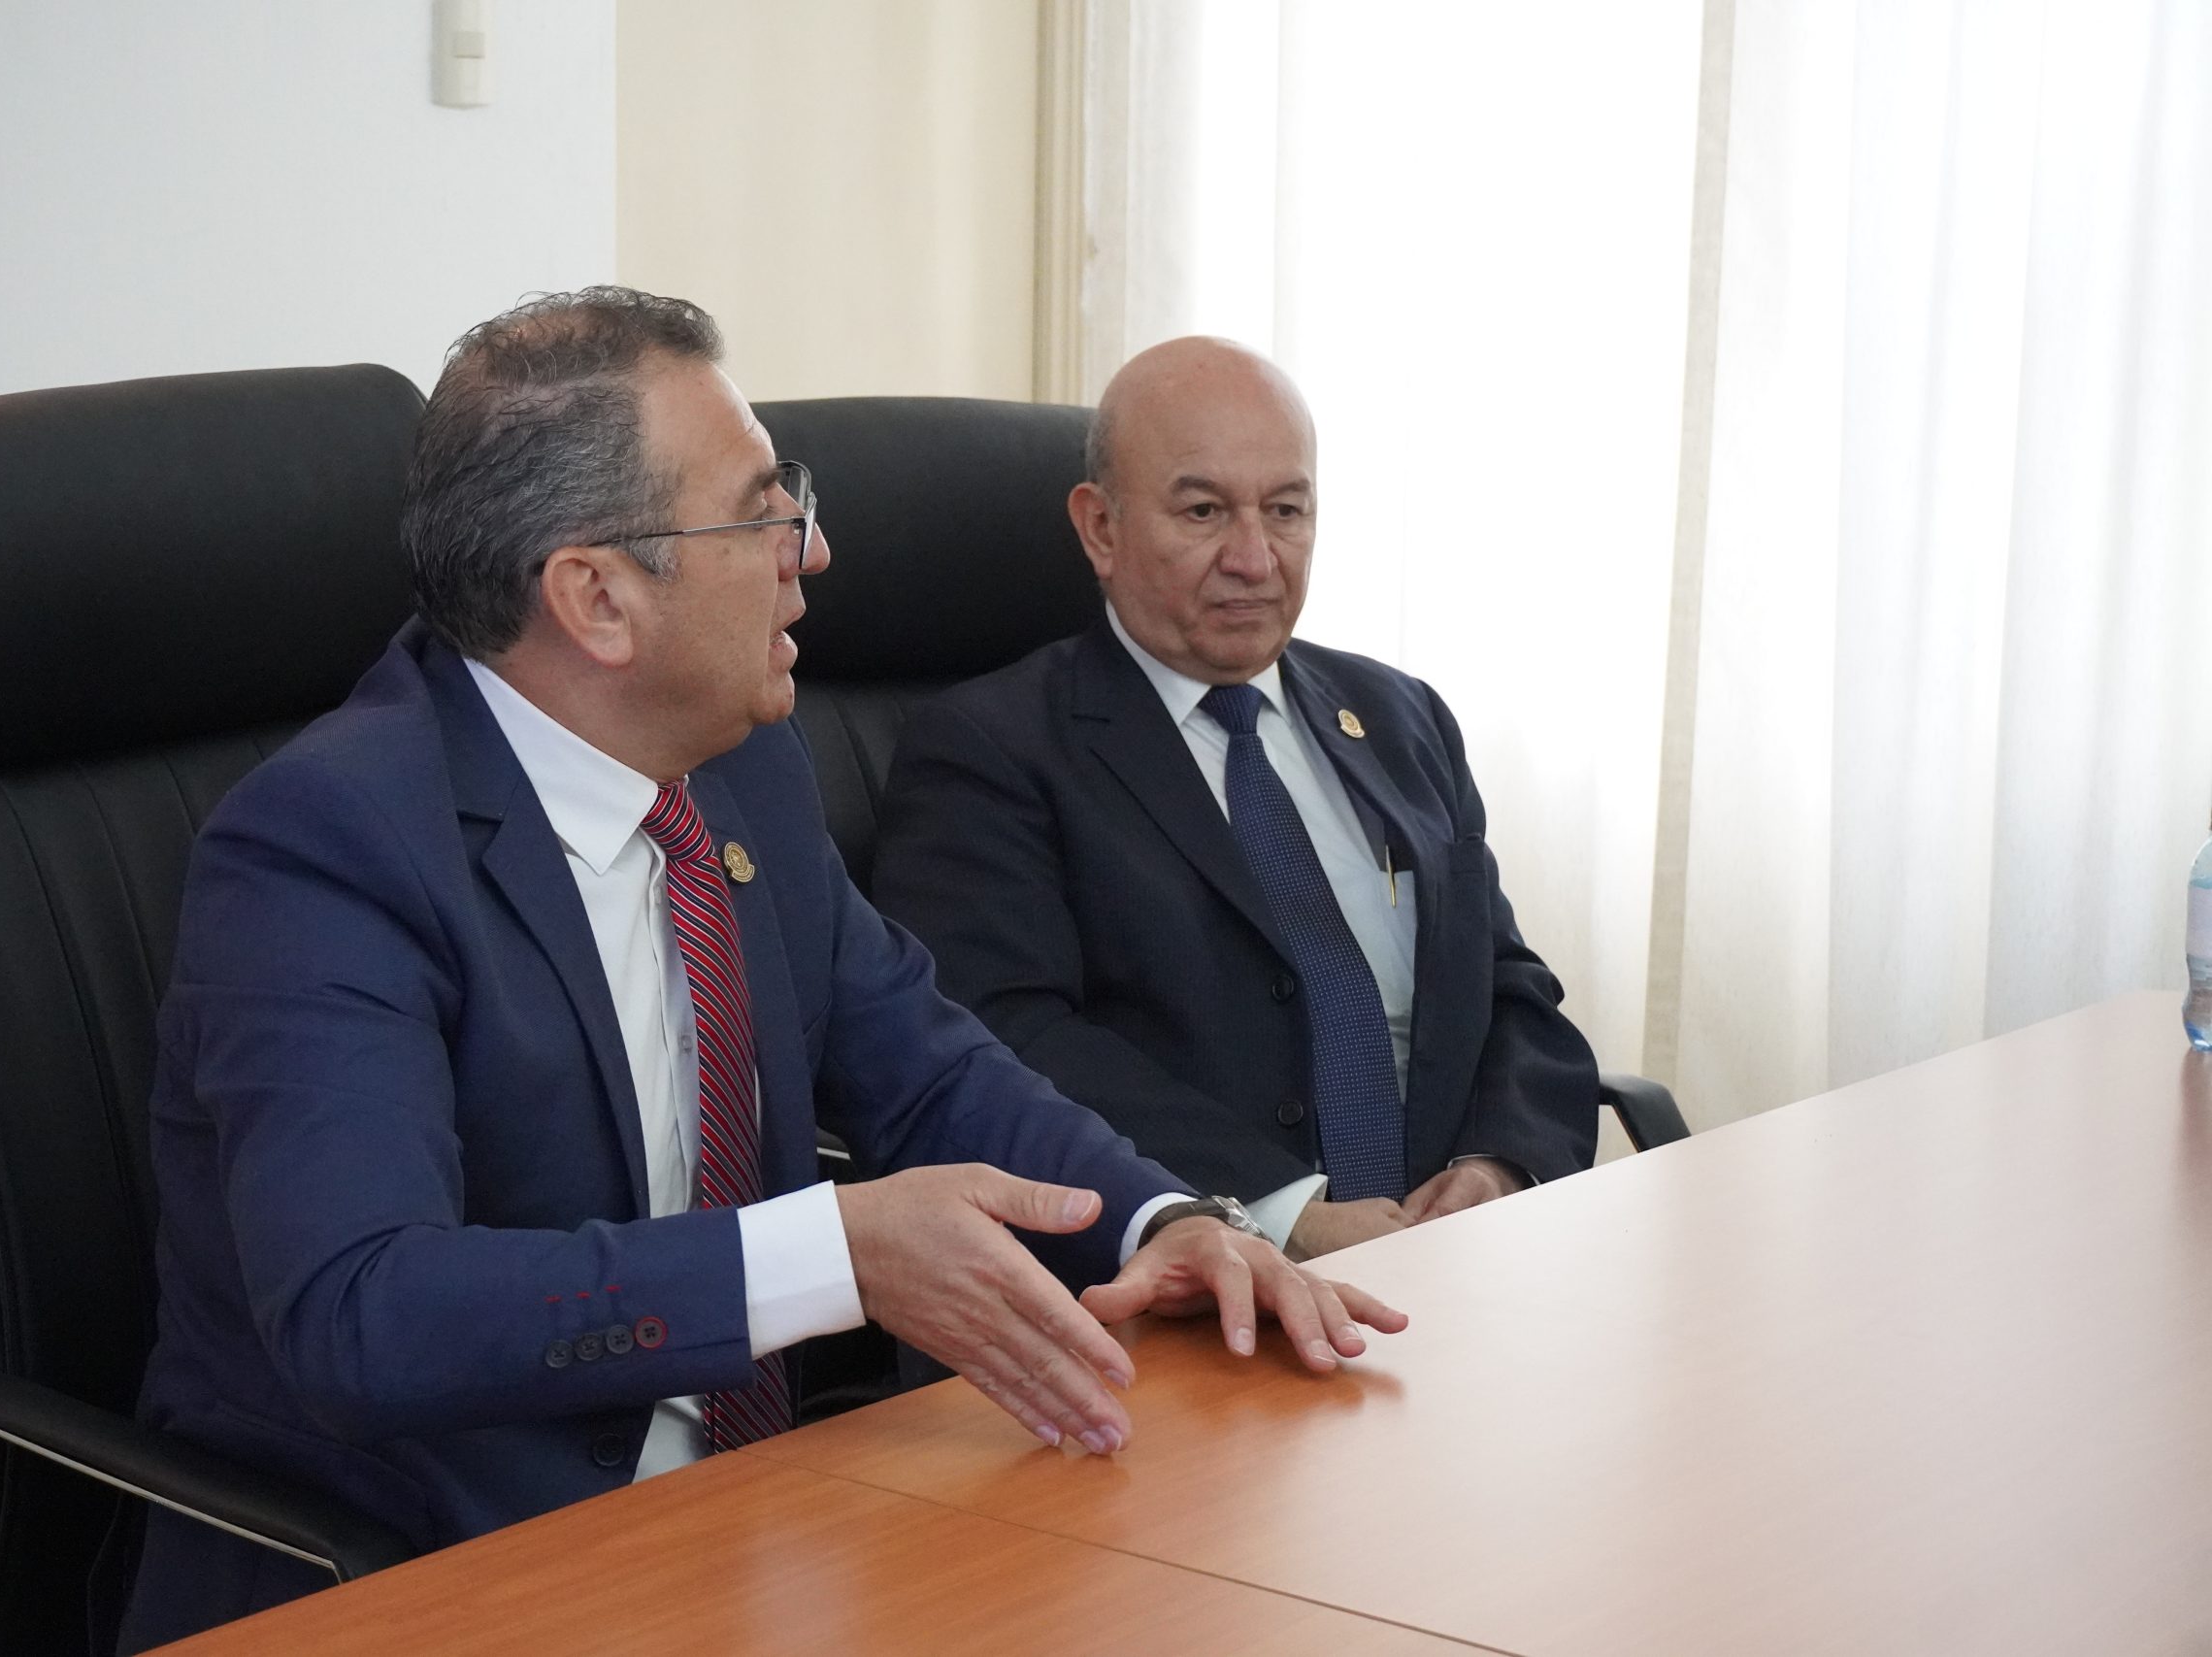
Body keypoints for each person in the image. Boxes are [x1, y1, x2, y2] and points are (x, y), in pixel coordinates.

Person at [116, 291, 1402, 1649]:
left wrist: (1170, 1224)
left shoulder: (739, 767)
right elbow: (363, 1313)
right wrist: (826, 1255)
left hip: (759, 1526)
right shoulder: (326, 847)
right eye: (758, 513)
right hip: (432, 1565)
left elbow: (930, 1067)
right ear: (597, 597)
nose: (813, 549)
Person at [874, 337, 1600, 1267]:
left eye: (1286, 510)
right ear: (1100, 528)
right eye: (1204, 511)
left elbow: (1505, 983)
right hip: (1192, 1276)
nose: (1254, 559)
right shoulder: (991, 749)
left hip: (1452, 1260)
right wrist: (1281, 1213)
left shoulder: (1402, 716)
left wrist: (1497, 1166)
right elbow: (1007, 1040)